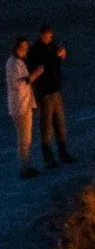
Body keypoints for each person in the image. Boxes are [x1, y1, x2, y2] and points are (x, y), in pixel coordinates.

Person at [29, 26, 68, 168]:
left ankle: (63, 153)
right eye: (47, 36)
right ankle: (48, 158)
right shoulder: (35, 50)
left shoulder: (51, 46)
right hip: (44, 92)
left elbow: (55, 64)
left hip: (55, 89)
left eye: (50, 36)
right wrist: (54, 57)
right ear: (41, 35)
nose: (49, 38)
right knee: (46, 126)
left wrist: (61, 56)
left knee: (60, 123)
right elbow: (40, 66)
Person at [4, 40, 30, 178]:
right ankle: (23, 168)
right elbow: (19, 84)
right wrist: (34, 76)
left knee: (26, 138)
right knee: (23, 138)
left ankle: (26, 165)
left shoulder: (19, 62)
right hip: (19, 105)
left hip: (24, 103)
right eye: (23, 47)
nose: (25, 50)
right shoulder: (13, 63)